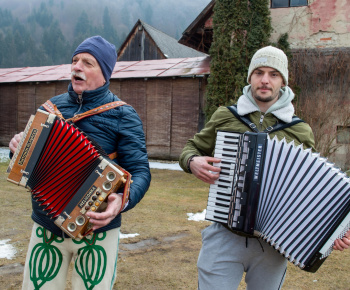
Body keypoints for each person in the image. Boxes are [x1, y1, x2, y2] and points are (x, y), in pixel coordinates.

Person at [179, 46, 350, 289]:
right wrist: (192, 161)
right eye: (259, 72)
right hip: (225, 235)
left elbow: (315, 191)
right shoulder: (226, 116)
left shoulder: (300, 130)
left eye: (273, 74)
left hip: (274, 243)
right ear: (250, 77)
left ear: (283, 81)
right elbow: (191, 148)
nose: (265, 80)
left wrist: (338, 232)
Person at [9, 36, 151, 290]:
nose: (77, 67)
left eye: (88, 63)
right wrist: (17, 148)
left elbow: (140, 171)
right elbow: (26, 162)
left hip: (97, 229)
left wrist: (123, 199)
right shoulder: (50, 109)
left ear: (105, 73)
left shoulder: (123, 115)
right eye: (75, 61)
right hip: (47, 225)